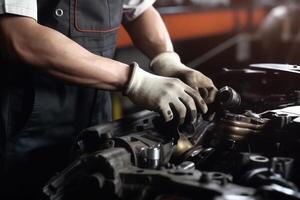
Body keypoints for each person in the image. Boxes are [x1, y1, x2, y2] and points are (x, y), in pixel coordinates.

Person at [0, 0, 217, 199]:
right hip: (28, 124)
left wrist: (167, 60)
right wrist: (136, 81)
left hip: (96, 118)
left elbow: (139, 10)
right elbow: (18, 36)